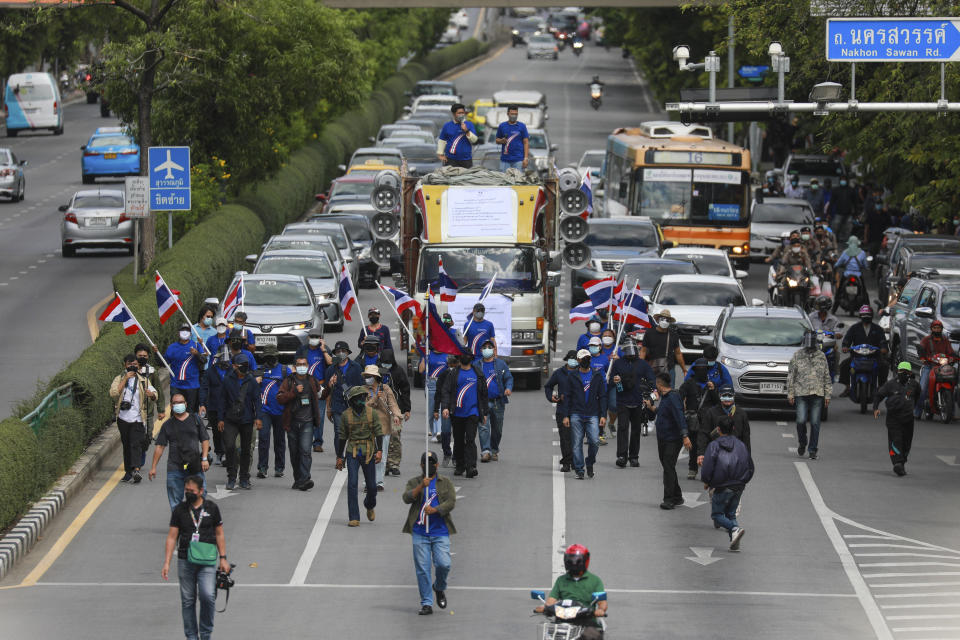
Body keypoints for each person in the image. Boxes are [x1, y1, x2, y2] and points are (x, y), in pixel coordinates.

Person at [161, 475, 230, 640]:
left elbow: (219, 534)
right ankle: (191, 636)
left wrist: (223, 558)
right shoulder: (180, 510)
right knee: (187, 600)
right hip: (185, 560)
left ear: (201, 491)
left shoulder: (212, 509)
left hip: (207, 561)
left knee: (207, 595)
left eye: (192, 491)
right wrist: (167, 562)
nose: (188, 494)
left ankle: (205, 634)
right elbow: (172, 537)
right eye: (186, 491)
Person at [402, 451, 456, 616]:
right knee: (422, 569)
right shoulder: (414, 482)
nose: (429, 465)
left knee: (444, 564)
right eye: (426, 463)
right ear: (421, 465)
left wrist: (436, 510)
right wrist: (421, 487)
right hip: (420, 532)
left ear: (437, 465)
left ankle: (439, 587)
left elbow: (451, 501)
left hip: (440, 531)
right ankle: (426, 602)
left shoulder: (445, 483)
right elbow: (406, 498)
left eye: (432, 462)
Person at [149, 393, 211, 511]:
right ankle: (179, 523)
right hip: (175, 467)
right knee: (175, 500)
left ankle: (195, 520)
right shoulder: (167, 425)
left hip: (194, 466)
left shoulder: (195, 419)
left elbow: (205, 439)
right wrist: (153, 467)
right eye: (175, 403)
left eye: (181, 402)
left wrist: (204, 458)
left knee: (200, 494)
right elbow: (160, 447)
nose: (178, 405)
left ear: (186, 404)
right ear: (171, 406)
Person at [700, 416, 754, 551]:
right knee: (731, 514)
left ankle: (735, 528)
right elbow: (750, 466)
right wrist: (743, 481)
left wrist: (707, 481)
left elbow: (707, 467)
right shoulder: (741, 445)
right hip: (739, 485)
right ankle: (735, 541)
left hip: (722, 485)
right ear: (733, 428)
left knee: (717, 515)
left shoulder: (714, 445)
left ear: (718, 430)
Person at [534, 544, 607, 640]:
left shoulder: (595, 580)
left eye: (577, 560)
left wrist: (600, 610)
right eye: (570, 560)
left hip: (586, 621)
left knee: (594, 635)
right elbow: (551, 600)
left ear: (584, 560)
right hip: (562, 621)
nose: (573, 563)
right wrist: (544, 607)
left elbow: (602, 603)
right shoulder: (561, 580)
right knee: (549, 634)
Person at [335, 386, 384, 527]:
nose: (361, 400)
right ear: (352, 401)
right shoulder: (346, 415)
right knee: (352, 483)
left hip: (368, 451)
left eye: (363, 397)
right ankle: (354, 517)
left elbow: (378, 432)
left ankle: (369, 505)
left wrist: (379, 450)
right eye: (358, 398)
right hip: (353, 451)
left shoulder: (372, 413)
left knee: (372, 487)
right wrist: (340, 456)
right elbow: (342, 437)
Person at [276, 354, 324, 491]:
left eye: (304, 364)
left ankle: (305, 479)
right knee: (294, 453)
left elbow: (322, 394)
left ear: (308, 367)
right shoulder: (289, 381)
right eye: (299, 365)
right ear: (294, 367)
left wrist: (331, 387)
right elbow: (279, 398)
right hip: (292, 423)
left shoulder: (312, 381)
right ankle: (298, 479)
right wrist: (294, 392)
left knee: (305, 451)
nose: (302, 367)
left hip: (307, 423)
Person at [644, 373, 692, 509]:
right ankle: (677, 496)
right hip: (663, 438)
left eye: (656, 385)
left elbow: (679, 416)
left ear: (659, 384)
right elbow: (664, 412)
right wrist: (652, 408)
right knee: (667, 466)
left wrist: (685, 436)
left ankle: (669, 499)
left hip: (672, 439)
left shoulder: (673, 397)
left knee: (668, 467)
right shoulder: (665, 398)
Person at [215, 353, 262, 490]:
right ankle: (231, 476)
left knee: (246, 449)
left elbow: (257, 400)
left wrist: (258, 417)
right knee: (230, 447)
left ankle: (244, 478)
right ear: (235, 366)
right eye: (242, 365)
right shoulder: (227, 380)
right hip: (230, 419)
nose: (244, 368)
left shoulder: (251, 381)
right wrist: (220, 419)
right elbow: (222, 400)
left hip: (247, 420)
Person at [558, 349, 607, 480]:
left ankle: (590, 462)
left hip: (592, 414)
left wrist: (603, 415)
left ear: (590, 360)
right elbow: (567, 397)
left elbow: (602, 396)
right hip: (576, 414)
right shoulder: (572, 376)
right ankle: (579, 469)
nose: (585, 361)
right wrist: (565, 416)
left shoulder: (597, 376)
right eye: (583, 359)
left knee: (595, 441)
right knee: (576, 444)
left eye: (587, 359)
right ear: (578, 361)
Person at [110, 354, 157, 483]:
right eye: (130, 364)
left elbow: (155, 394)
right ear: (125, 365)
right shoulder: (119, 378)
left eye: (135, 365)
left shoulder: (143, 380)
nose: (132, 367)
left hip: (137, 418)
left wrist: (151, 394)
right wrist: (125, 379)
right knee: (126, 445)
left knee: (135, 443)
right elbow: (113, 393)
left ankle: (136, 469)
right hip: (123, 418)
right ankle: (128, 472)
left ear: (139, 366)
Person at [440, 351, 488, 478]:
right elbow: (446, 391)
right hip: (457, 413)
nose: (465, 358)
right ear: (459, 358)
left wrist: (484, 412)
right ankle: (460, 465)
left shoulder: (478, 373)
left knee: (470, 439)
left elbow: (483, 394)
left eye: (467, 356)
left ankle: (471, 466)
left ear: (471, 358)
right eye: (463, 356)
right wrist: (445, 407)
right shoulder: (453, 373)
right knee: (459, 439)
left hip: (473, 412)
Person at [787, 329, 833, 460]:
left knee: (815, 423)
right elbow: (791, 375)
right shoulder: (797, 355)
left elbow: (826, 375)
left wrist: (828, 394)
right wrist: (790, 393)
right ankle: (802, 442)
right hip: (801, 393)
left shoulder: (821, 356)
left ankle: (813, 449)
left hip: (817, 393)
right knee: (800, 421)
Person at [610, 339, 656, 468]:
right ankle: (622, 456)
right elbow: (612, 382)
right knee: (623, 428)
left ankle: (634, 457)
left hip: (638, 401)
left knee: (636, 430)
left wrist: (652, 394)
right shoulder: (618, 363)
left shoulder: (643, 365)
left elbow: (651, 380)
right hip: (623, 400)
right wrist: (616, 380)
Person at [874, 362, 921, 476]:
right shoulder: (890, 384)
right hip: (893, 419)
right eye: (901, 371)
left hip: (908, 420)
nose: (903, 373)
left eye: (906, 372)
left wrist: (912, 408)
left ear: (910, 373)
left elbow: (918, 395)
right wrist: (875, 408)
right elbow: (879, 395)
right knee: (896, 441)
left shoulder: (914, 384)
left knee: (906, 443)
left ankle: (902, 463)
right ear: (897, 372)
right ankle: (897, 463)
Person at [363, 365, 402, 489]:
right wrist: (375, 398)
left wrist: (396, 415)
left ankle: (379, 482)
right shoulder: (362, 390)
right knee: (368, 456)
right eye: (366, 376)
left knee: (382, 455)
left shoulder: (385, 389)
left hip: (383, 427)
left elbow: (393, 404)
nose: (367, 378)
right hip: (368, 427)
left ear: (376, 377)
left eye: (369, 376)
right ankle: (369, 481)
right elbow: (363, 407)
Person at [255, 345, 289, 480]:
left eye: (272, 357)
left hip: (281, 411)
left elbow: (290, 389)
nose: (270, 359)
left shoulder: (285, 370)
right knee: (263, 438)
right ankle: (262, 468)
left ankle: (279, 468)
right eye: (267, 357)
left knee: (280, 440)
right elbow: (253, 391)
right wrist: (256, 381)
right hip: (264, 411)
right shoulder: (260, 371)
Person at [475, 339, 513, 462]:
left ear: (494, 350)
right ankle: (485, 451)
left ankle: (494, 449)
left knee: (497, 429)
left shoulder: (501, 364)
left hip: (498, 402)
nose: (487, 349)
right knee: (483, 427)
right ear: (481, 350)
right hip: (482, 402)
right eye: (484, 347)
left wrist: (508, 388)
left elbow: (508, 378)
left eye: (489, 347)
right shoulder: (476, 365)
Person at [839, 305, 889, 397]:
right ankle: (847, 387)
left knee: (884, 366)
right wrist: (845, 346)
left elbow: (883, 341)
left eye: (868, 315)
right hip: (857, 356)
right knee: (844, 365)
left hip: (874, 357)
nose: (866, 317)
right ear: (860, 316)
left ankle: (882, 387)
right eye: (864, 315)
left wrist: (883, 348)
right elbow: (847, 339)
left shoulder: (878, 329)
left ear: (871, 316)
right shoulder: (854, 328)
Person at [325, 340, 364, 457]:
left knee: (353, 432)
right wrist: (328, 408)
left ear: (347, 352)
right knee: (339, 432)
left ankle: (352, 455)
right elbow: (327, 392)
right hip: (337, 406)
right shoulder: (330, 370)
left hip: (354, 406)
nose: (341, 353)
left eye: (343, 351)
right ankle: (340, 456)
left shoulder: (356, 367)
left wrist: (362, 405)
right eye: (338, 351)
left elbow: (362, 388)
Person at [295, 327, 330, 452]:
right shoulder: (302, 350)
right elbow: (296, 366)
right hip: (305, 387)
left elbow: (331, 364)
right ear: (308, 338)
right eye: (312, 337)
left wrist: (324, 350)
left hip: (320, 388)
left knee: (319, 415)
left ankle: (318, 442)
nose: (314, 339)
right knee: (304, 413)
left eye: (317, 337)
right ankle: (305, 441)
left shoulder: (324, 350)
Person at [545, 350, 579, 472]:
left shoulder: (582, 372)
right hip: (563, 410)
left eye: (576, 358)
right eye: (571, 358)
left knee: (576, 438)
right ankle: (567, 462)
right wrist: (551, 397)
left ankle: (576, 461)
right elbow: (548, 386)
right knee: (565, 437)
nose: (573, 360)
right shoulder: (559, 373)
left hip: (578, 410)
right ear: (567, 359)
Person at [699, 385, 752, 464]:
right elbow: (703, 434)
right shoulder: (711, 413)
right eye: (724, 395)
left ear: (734, 396)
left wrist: (747, 456)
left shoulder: (741, 414)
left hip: (735, 454)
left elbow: (746, 437)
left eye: (730, 395)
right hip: (716, 453)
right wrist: (701, 453)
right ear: (719, 396)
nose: (727, 398)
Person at [915, 320, 956, 419]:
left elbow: (950, 352)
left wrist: (954, 357)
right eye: (935, 328)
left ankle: (952, 413)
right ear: (931, 329)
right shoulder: (926, 340)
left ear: (941, 329)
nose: (937, 330)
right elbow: (921, 350)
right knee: (922, 389)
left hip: (943, 367)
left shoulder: (945, 340)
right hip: (929, 366)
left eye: (939, 328)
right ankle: (917, 412)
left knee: (952, 388)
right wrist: (923, 357)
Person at [380, 348, 411, 476]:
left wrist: (407, 409)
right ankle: (385, 464)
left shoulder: (398, 372)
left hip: (396, 410)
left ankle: (394, 464)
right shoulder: (376, 371)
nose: (386, 364)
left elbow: (405, 390)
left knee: (395, 437)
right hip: (380, 410)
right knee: (381, 437)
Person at [164, 322, 208, 413]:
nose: (185, 332)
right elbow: (164, 362)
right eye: (182, 330)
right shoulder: (172, 347)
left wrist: (197, 354)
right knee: (176, 411)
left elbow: (204, 360)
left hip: (192, 385)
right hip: (176, 385)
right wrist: (156, 354)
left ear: (190, 334)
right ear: (178, 333)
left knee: (190, 412)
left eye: (187, 331)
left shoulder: (196, 345)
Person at [135, 342, 165, 467]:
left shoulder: (152, 372)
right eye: (140, 355)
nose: (142, 357)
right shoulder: (129, 371)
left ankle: (143, 452)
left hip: (148, 411)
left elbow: (158, 390)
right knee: (135, 437)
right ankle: (135, 459)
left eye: (145, 355)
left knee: (147, 436)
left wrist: (161, 409)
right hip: (134, 412)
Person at [199, 346, 230, 466]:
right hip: (214, 405)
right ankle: (219, 452)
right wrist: (202, 404)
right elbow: (204, 388)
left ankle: (228, 453)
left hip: (228, 406)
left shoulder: (232, 370)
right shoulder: (210, 371)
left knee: (228, 431)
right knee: (217, 431)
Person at [641, 310, 686, 385]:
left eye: (667, 320)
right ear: (658, 320)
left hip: (669, 368)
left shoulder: (673, 334)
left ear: (669, 322)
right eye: (662, 319)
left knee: (669, 392)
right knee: (653, 392)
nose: (664, 321)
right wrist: (640, 366)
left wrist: (684, 369)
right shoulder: (649, 333)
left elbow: (678, 353)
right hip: (653, 368)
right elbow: (643, 351)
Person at [433, 355, 460, 466]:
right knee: (445, 432)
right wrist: (436, 409)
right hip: (446, 407)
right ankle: (447, 453)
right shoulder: (444, 375)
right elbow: (439, 392)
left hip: (459, 407)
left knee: (458, 433)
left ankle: (456, 456)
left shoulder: (461, 374)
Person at [419, 344, 449, 441]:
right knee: (431, 411)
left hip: (444, 384)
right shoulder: (428, 355)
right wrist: (424, 357)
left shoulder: (447, 355)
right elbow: (421, 370)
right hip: (431, 384)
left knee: (441, 409)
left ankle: (440, 432)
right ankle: (434, 433)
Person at [832, 237, 868, 313]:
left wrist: (836, 266)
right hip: (858, 275)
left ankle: (834, 309)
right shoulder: (862, 253)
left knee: (839, 291)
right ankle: (867, 308)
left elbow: (838, 263)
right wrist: (865, 267)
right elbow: (865, 265)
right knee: (864, 292)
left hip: (846, 275)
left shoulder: (845, 252)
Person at [438, 102, 478, 169]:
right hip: (450, 160)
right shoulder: (447, 125)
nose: (461, 115)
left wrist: (466, 131)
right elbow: (442, 140)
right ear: (454, 114)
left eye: (463, 113)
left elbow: (474, 140)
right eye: (459, 113)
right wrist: (440, 154)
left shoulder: (469, 124)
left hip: (466, 160)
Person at [494, 104, 529, 171]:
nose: (514, 116)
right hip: (505, 160)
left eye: (516, 114)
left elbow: (526, 142)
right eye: (512, 114)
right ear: (508, 114)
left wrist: (526, 158)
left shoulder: (522, 126)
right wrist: (501, 141)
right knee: (504, 180)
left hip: (518, 160)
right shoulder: (502, 126)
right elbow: (497, 140)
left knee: (518, 181)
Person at [825, 176, 857, 243]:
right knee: (835, 227)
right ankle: (834, 240)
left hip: (848, 213)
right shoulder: (836, 190)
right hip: (838, 212)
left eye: (844, 179)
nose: (843, 181)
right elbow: (832, 202)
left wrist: (855, 213)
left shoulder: (851, 190)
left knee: (848, 228)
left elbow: (855, 202)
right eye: (842, 179)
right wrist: (828, 213)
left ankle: (846, 241)